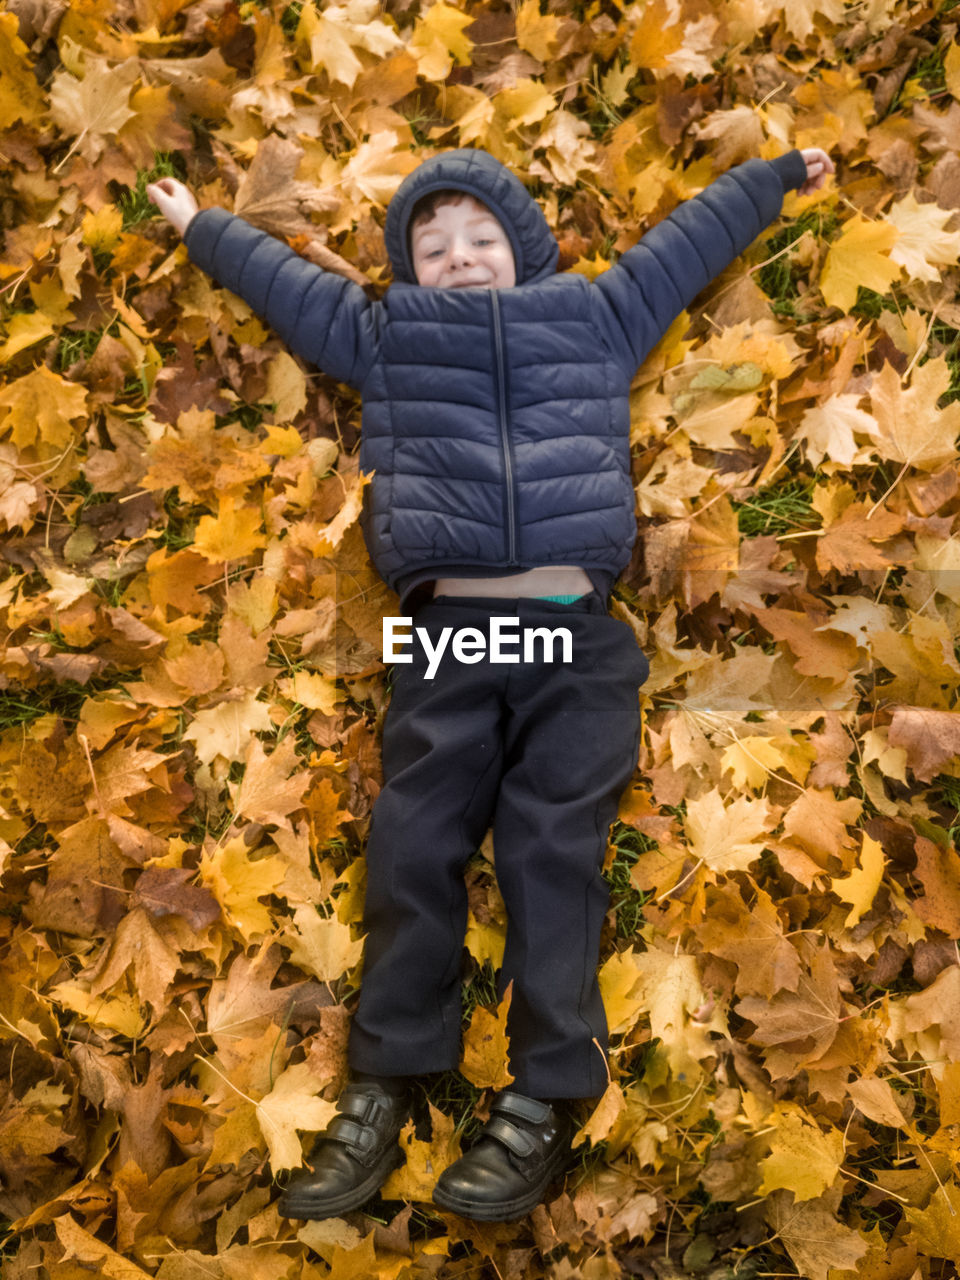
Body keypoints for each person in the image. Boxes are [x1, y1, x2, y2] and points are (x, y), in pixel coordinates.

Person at [147, 140, 834, 1222]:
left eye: (479, 239)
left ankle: (546, 1094)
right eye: (432, 246)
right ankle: (383, 1079)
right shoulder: (389, 335)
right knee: (416, 837)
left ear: (523, 248)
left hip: (574, 622)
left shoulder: (597, 314)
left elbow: (687, 242)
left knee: (550, 844)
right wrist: (202, 227)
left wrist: (776, 174)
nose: (459, 258)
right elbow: (291, 288)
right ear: (409, 271)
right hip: (449, 623)